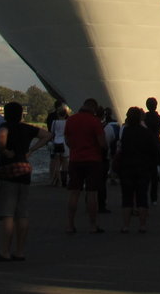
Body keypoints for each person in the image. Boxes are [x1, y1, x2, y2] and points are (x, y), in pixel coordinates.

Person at [0, 100, 50, 261]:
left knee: (7, 213)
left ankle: (4, 251)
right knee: (22, 213)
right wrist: (31, 150)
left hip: (8, 170)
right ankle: (20, 251)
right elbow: (47, 135)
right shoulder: (27, 128)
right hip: (24, 169)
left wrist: (4, 149)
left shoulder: (5, 126)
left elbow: (2, 135)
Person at [63, 98, 107, 233]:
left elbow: (67, 140)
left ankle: (70, 225)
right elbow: (102, 144)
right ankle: (93, 226)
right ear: (94, 108)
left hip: (75, 160)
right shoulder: (95, 122)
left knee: (74, 193)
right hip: (93, 160)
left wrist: (76, 148)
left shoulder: (71, 120)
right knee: (92, 193)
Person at [117, 106, 160, 232]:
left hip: (127, 167)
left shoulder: (126, 131)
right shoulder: (146, 132)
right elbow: (154, 150)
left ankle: (126, 225)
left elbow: (122, 148)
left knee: (127, 197)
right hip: (143, 167)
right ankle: (142, 225)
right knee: (142, 196)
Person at [49, 106, 68, 187]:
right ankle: (64, 181)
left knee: (57, 163)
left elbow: (52, 133)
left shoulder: (54, 122)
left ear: (58, 114)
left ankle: (58, 181)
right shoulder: (68, 122)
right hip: (65, 143)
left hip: (56, 142)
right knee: (65, 163)